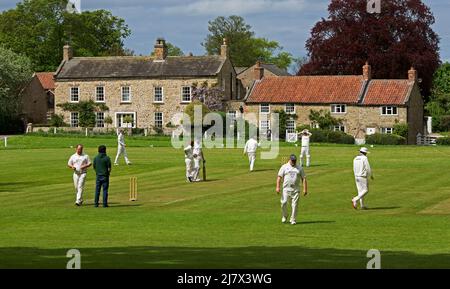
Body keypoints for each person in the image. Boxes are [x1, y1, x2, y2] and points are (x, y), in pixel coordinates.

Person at [276, 154, 308, 225]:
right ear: (289, 160)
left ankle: (293, 219)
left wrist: (305, 189)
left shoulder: (299, 168)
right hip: (286, 189)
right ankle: (285, 215)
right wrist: (277, 187)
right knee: (283, 203)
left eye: (294, 160)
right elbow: (279, 177)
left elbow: (304, 178)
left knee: (295, 205)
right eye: (292, 160)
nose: (293, 162)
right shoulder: (284, 167)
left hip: (296, 189)